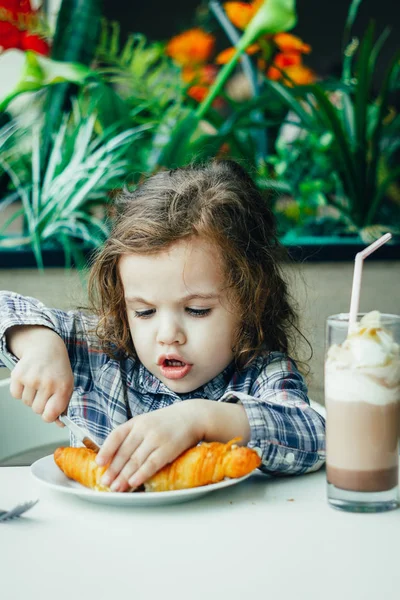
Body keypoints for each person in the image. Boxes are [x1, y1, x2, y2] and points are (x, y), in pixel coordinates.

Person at [0, 160, 325, 492]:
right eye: (144, 312)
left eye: (197, 310)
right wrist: (39, 345)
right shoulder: (102, 349)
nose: (168, 334)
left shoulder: (261, 372)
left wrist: (200, 419)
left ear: (251, 301)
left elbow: (315, 436)